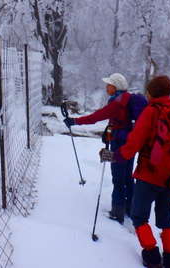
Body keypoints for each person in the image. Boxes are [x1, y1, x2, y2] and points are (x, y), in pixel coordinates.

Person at [100, 75, 170, 268]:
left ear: (151, 92)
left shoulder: (150, 112)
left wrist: (113, 156)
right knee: (166, 219)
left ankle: (151, 255)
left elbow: (132, 145)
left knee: (139, 216)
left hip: (148, 175)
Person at [63, 73, 147, 224]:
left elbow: (95, 117)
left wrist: (75, 121)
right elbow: (120, 121)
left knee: (118, 177)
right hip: (131, 141)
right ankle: (130, 209)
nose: (106, 87)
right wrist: (109, 130)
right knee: (128, 176)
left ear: (115, 87)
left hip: (119, 143)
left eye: (108, 84)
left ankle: (117, 212)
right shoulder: (127, 99)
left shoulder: (117, 103)